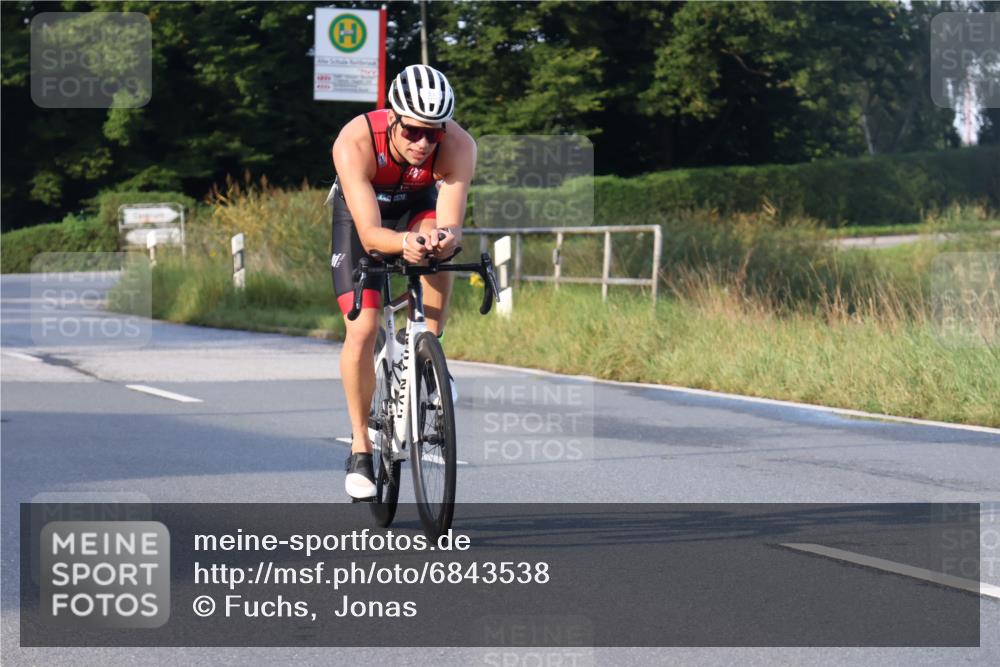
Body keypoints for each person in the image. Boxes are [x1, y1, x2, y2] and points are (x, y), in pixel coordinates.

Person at [328, 64, 476, 500]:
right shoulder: (355, 141)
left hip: (417, 207)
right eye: (413, 131)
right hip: (362, 219)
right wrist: (403, 243)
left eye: (434, 134)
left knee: (440, 249)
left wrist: (438, 240)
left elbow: (452, 226)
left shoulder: (460, 145)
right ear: (393, 118)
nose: (423, 143)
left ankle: (431, 355)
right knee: (364, 327)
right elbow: (372, 235)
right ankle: (360, 448)